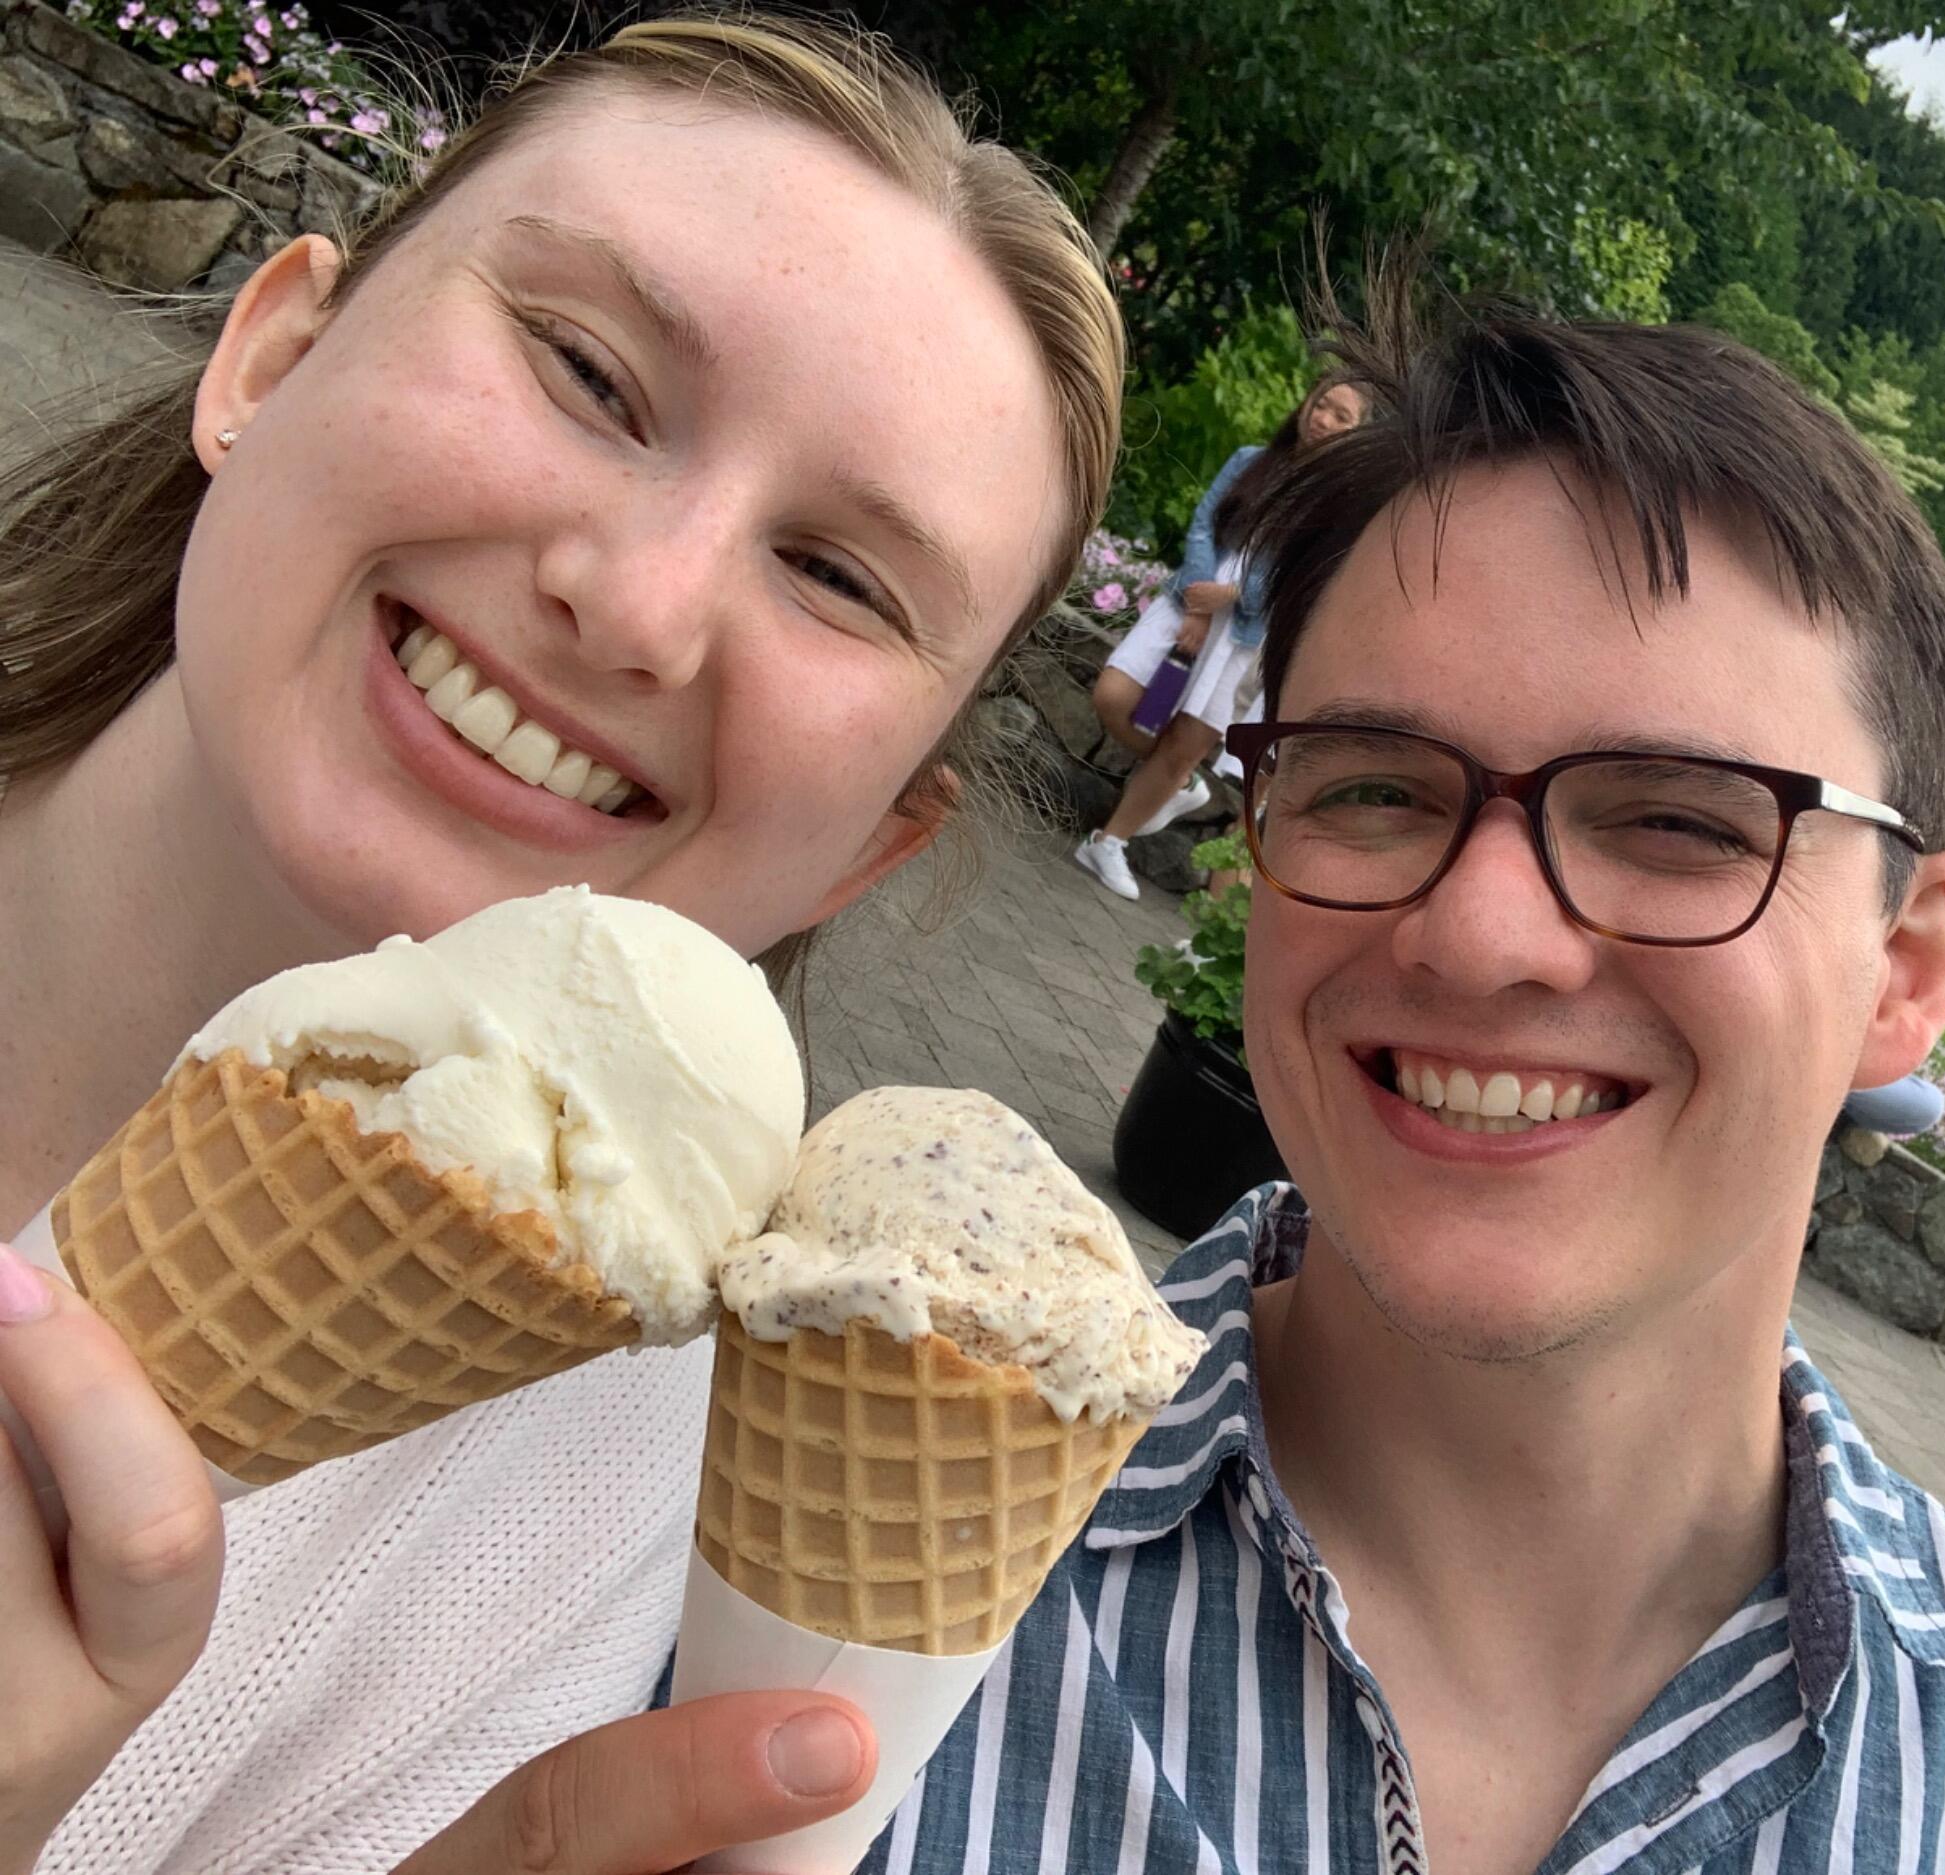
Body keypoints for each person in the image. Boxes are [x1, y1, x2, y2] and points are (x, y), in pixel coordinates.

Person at [861, 296, 1945, 1869]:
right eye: (1375, 785)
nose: (1482, 931)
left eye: (1682, 821)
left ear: (1907, 969)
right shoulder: (802, 1525)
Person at [0, 13, 1123, 1871]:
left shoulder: (608, 1501)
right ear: (272, 355)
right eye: (590, 374)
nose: (641, 604)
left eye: (838, 577)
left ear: (874, 846)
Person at [1073, 375, 1367, 899]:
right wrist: (1199, 596)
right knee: (1114, 696)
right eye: (1322, 404)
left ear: (1357, 434)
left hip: (1246, 632)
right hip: (1190, 603)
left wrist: (1230, 598)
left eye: (1342, 416)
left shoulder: (1336, 508)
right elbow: (1205, 523)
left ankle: (1108, 841)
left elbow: (1295, 574)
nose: (1323, 419)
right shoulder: (1252, 460)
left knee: (1184, 745)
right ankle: (1179, 785)